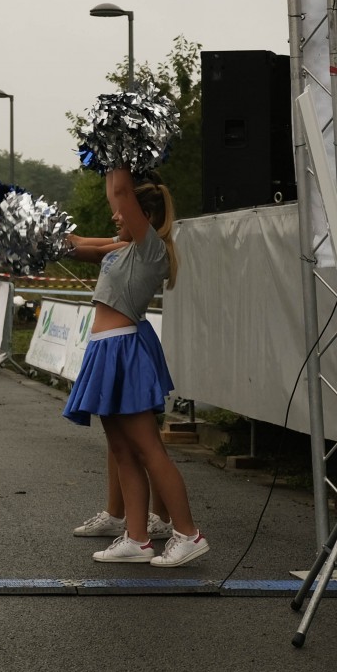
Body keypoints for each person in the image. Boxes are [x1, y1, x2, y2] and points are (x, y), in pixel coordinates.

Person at [62, 168, 207, 567]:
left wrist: (115, 156)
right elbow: (77, 242)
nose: (115, 216)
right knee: (122, 450)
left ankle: (188, 534)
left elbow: (122, 192)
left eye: (122, 212)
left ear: (144, 215)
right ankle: (138, 539)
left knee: (149, 449)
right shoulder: (122, 247)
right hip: (105, 350)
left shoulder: (150, 248)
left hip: (122, 350)